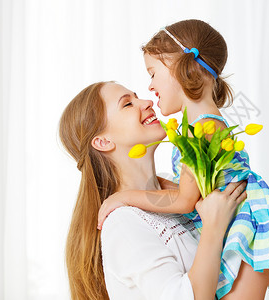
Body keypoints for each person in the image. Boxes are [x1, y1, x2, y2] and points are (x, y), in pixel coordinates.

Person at [98, 19, 269, 299]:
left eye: (152, 73)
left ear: (179, 68)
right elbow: (196, 191)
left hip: (246, 225)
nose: (150, 86)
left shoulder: (204, 130)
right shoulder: (201, 124)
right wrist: (159, 184)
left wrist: (121, 198)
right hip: (240, 219)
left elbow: (185, 201)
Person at [59, 81, 248, 300]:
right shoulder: (123, 223)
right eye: (128, 104)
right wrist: (214, 227)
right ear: (103, 141)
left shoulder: (179, 191)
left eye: (137, 96)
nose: (147, 102)